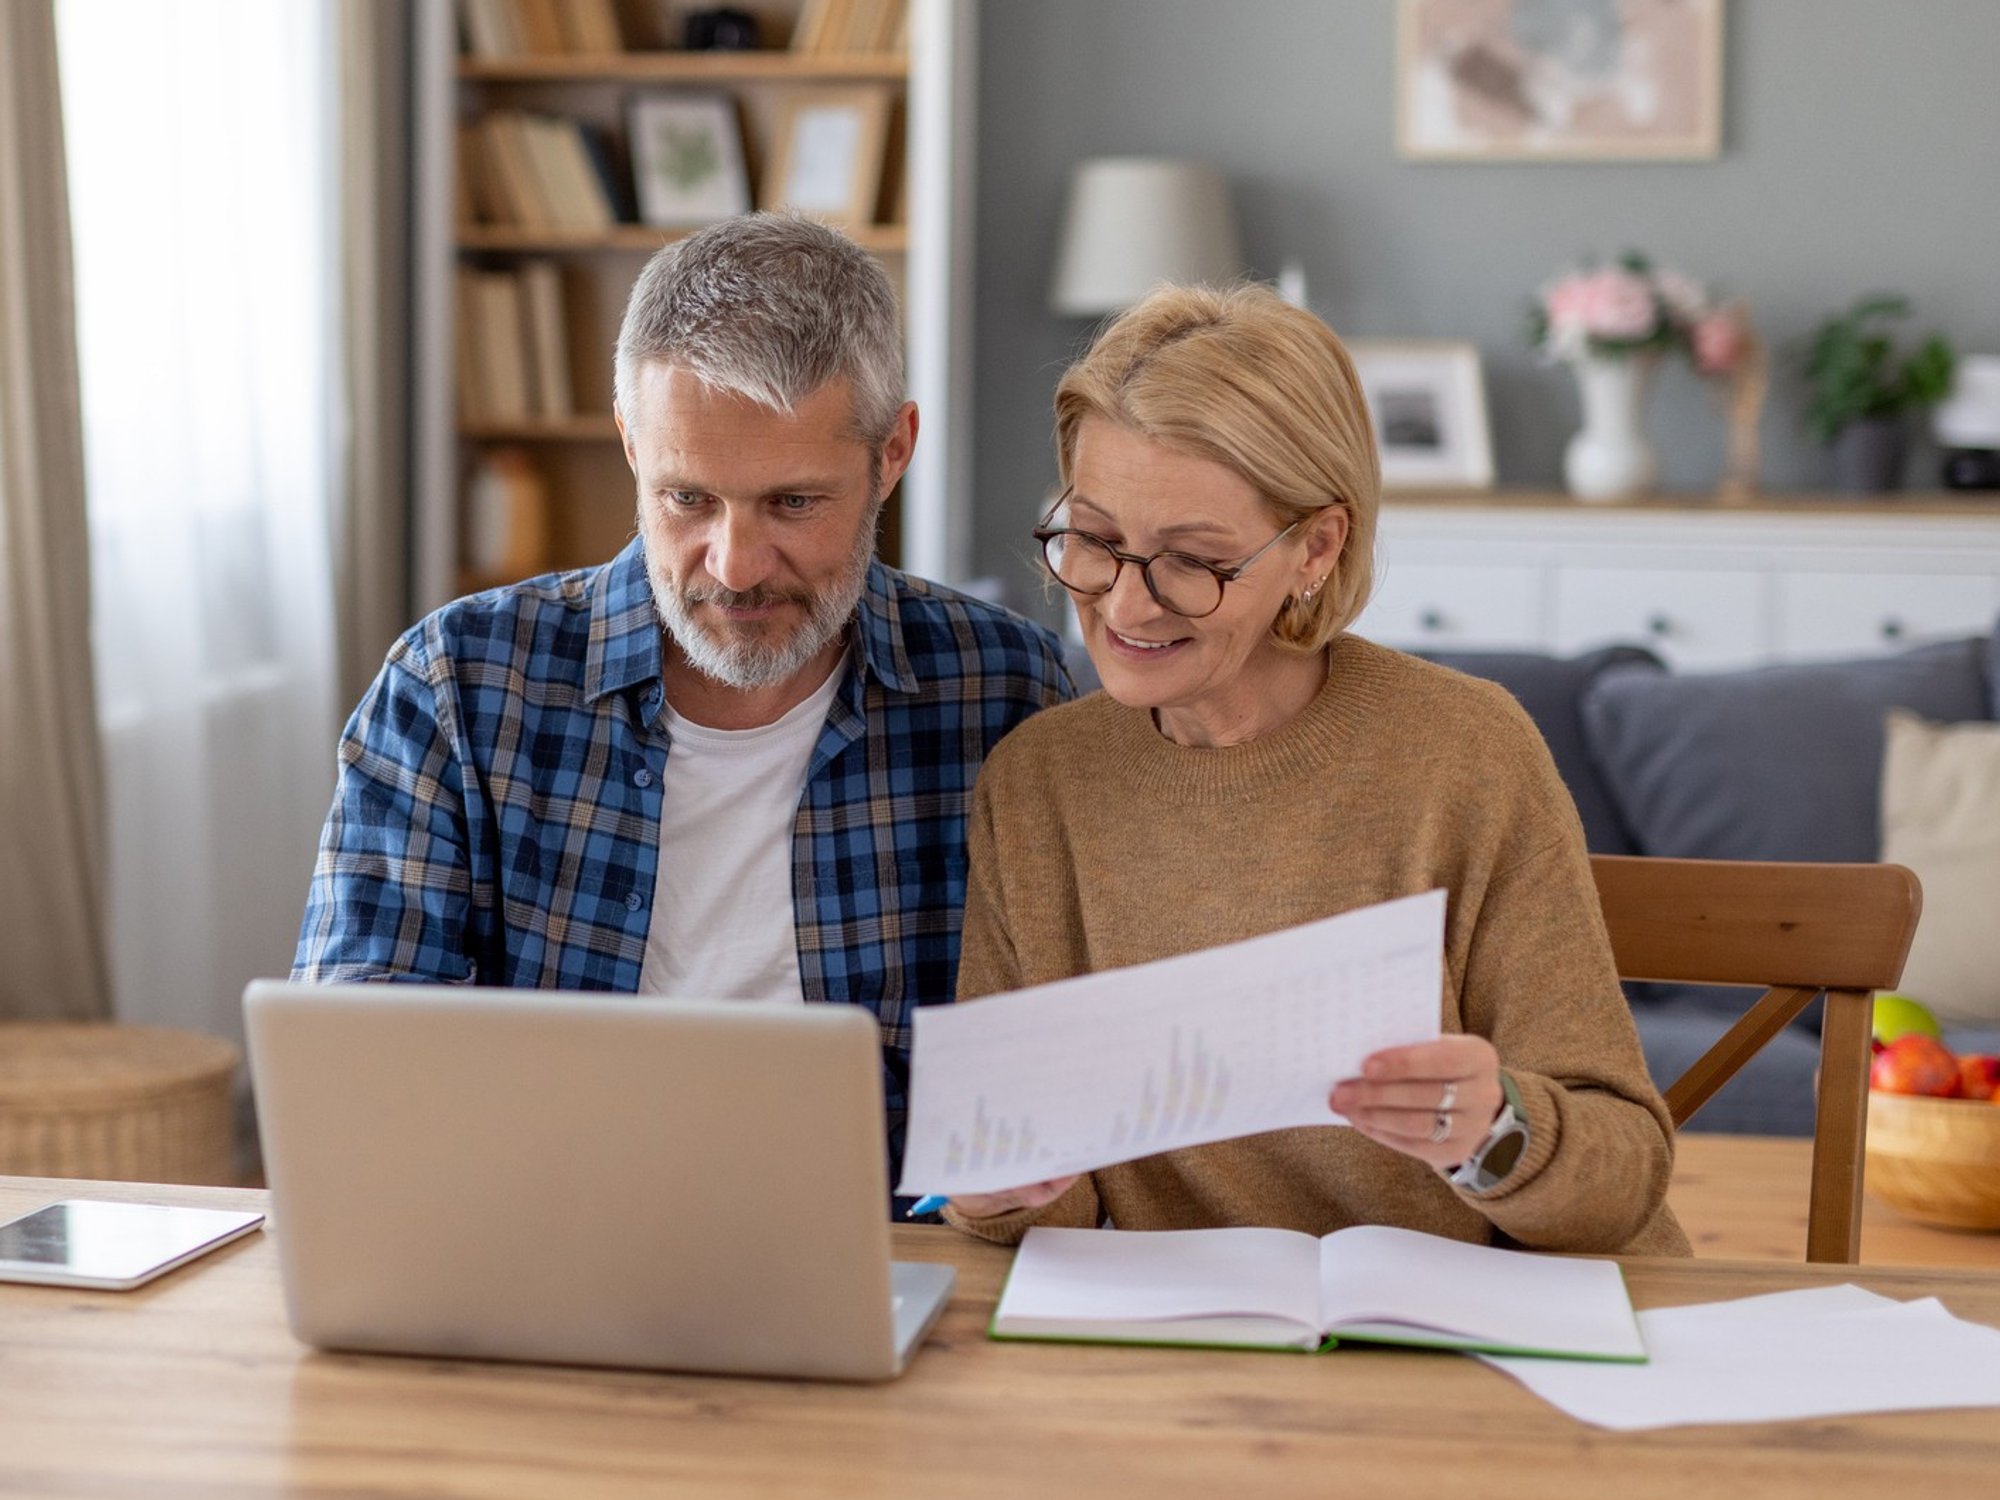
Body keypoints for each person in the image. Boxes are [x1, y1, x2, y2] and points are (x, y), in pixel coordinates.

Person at [294, 214, 1072, 1190]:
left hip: (889, 1246)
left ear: (891, 453)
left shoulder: (1005, 692)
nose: (735, 566)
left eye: (793, 502)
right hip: (543, 1232)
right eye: (688, 499)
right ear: (632, 445)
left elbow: (1052, 1057)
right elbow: (359, 1060)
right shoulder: (456, 686)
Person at [940, 283, 1688, 1256]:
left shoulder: (1465, 753)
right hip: (1188, 1327)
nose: (1124, 606)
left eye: (1190, 560)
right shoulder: (1038, 783)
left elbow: (1619, 1173)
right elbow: (1047, 1206)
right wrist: (999, 1188)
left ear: (1315, 548)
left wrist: (1493, 1132)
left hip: (1468, 1321)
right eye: (1093, 540)